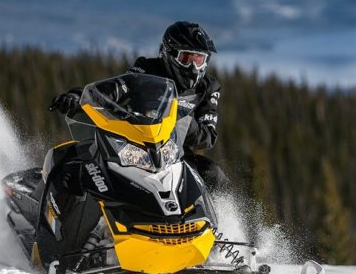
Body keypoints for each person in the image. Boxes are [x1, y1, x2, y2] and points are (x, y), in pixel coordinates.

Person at [49, 21, 229, 191]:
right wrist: (78, 96)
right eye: (186, 58)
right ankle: (54, 201)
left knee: (213, 174)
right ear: (169, 53)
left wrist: (181, 117)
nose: (193, 67)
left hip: (175, 157)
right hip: (133, 148)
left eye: (199, 60)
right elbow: (118, 87)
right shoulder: (146, 70)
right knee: (74, 160)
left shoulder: (209, 87)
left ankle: (223, 214)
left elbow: (208, 136)